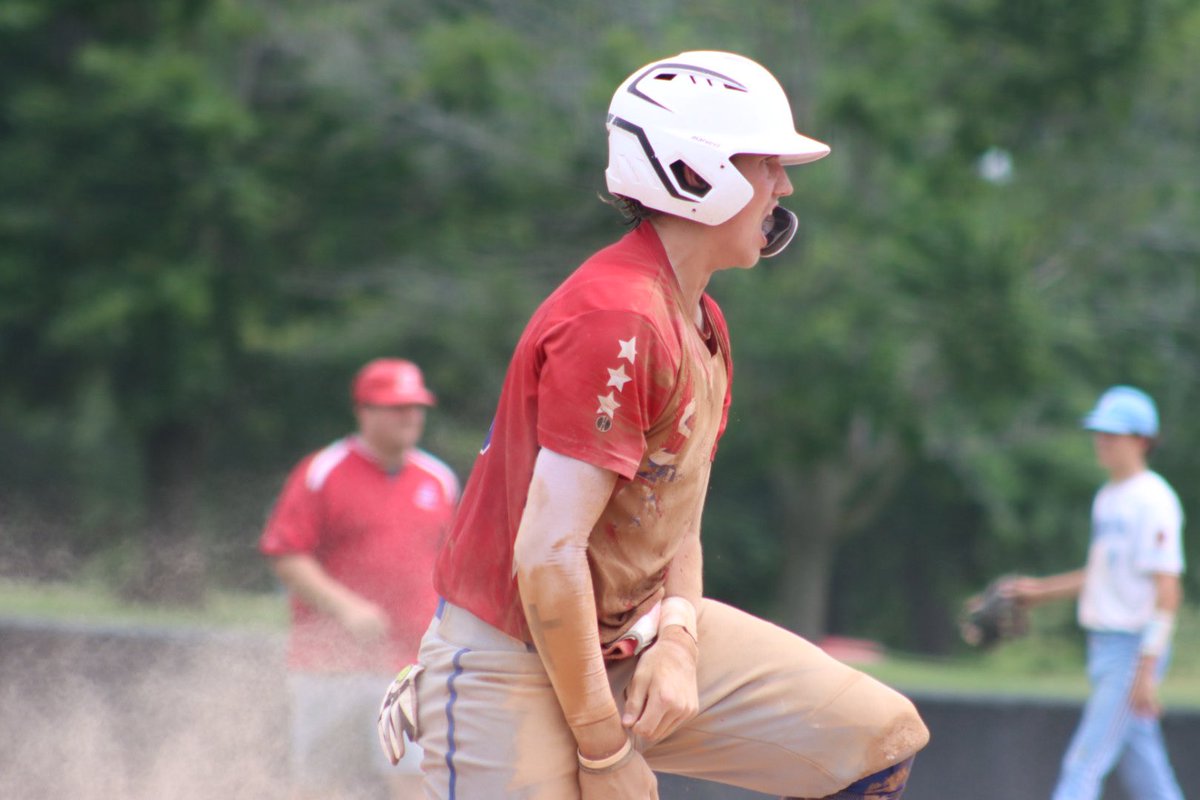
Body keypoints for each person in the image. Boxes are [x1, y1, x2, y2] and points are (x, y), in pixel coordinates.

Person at [385, 50, 929, 800]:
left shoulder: (698, 318)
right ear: (696, 171)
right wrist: (605, 753)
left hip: (625, 635)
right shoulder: (618, 315)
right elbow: (547, 555)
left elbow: (677, 518)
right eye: (766, 163)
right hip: (511, 655)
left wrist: (678, 634)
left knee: (876, 741)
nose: (784, 185)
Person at [261, 358, 459, 800]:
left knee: (416, 779)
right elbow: (286, 553)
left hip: (409, 663)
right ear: (364, 411)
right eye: (397, 407)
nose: (410, 416)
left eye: (416, 406)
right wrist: (345, 607)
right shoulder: (323, 470)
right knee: (320, 784)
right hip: (330, 664)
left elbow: (455, 565)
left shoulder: (439, 479)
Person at [1001, 385, 1186, 800]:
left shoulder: (1154, 499)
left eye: (1113, 434)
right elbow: (1103, 575)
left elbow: (1169, 589)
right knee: (1145, 767)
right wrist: (1039, 592)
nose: (1102, 441)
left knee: (1083, 763)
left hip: (1131, 648)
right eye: (1099, 432)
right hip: (1106, 646)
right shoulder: (1108, 497)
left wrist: (1146, 669)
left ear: (1142, 440)